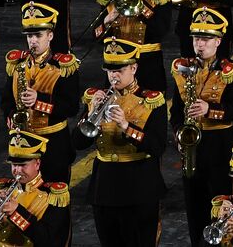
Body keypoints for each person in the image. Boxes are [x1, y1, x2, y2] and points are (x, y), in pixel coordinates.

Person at [71, 38, 167, 247]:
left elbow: (157, 146)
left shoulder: (152, 101)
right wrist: (89, 114)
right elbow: (77, 143)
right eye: (110, 70)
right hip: (104, 186)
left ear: (134, 67)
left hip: (139, 186)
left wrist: (126, 127)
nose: (114, 75)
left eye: (120, 70)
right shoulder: (94, 97)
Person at [172, 7, 233, 247]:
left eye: (206, 39)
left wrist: (210, 110)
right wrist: (178, 132)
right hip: (192, 146)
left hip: (220, 144)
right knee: (194, 203)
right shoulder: (183, 69)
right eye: (196, 39)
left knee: (219, 201)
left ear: (218, 40)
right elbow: (176, 110)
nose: (200, 45)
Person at [4, 2, 80, 185]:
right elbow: (6, 100)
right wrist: (11, 114)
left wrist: (39, 100)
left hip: (54, 146)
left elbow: (71, 107)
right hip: (24, 144)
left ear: (50, 35)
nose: (33, 41)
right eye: (30, 36)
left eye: (38, 35)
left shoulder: (64, 67)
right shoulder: (17, 64)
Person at [0, 130, 72, 247]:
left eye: (23, 165)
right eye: (14, 165)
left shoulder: (53, 196)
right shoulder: (1, 189)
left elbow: (48, 239)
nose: (17, 171)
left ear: (37, 163)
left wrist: (16, 212)